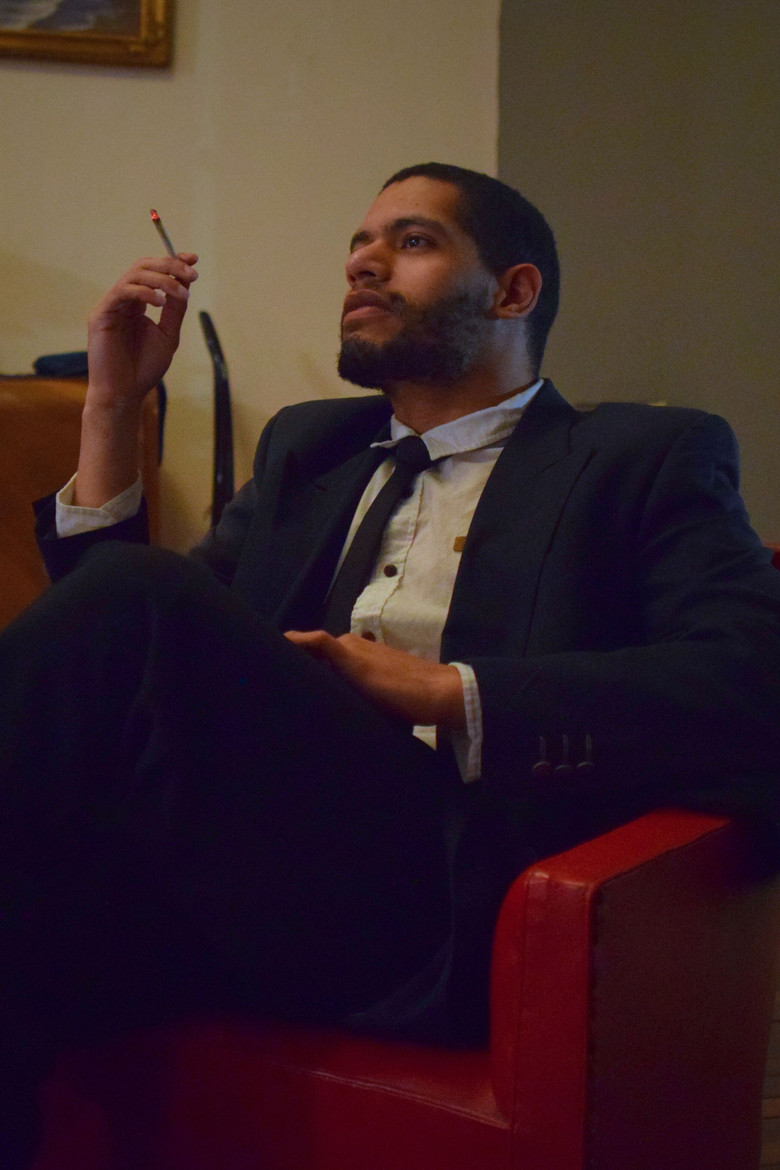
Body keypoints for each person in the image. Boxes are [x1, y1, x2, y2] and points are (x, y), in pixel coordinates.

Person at [2, 162, 780, 1167]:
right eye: (358, 246)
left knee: (142, 598)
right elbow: (114, 677)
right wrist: (112, 405)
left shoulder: (643, 457)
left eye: (411, 242)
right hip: (248, 872)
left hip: (441, 889)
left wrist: (450, 693)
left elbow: (748, 677)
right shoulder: (309, 450)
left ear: (514, 291)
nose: (363, 264)